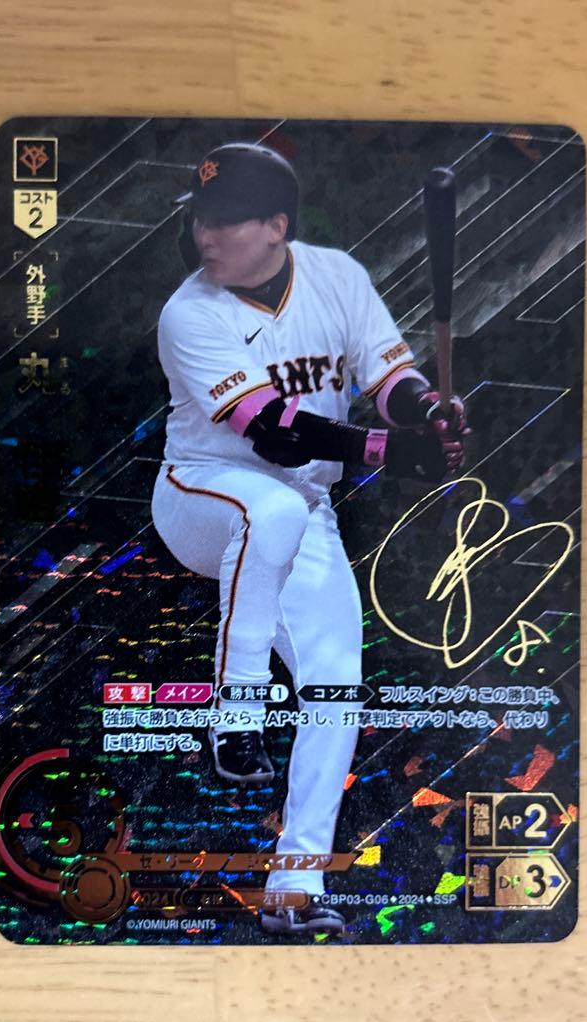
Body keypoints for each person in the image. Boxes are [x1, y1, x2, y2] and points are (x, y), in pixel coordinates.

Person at [150, 142, 468, 936]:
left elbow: (388, 379)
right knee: (272, 511)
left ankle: (294, 889)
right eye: (201, 219)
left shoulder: (337, 278)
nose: (206, 235)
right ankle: (236, 715)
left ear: (277, 226)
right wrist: (389, 451)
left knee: (335, 690)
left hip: (303, 506)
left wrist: (427, 411)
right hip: (202, 493)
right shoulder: (190, 312)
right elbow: (274, 431)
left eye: (227, 221)